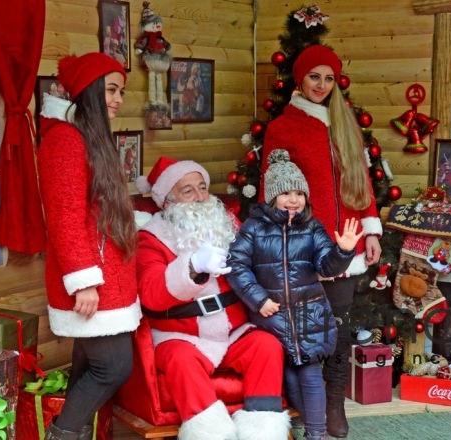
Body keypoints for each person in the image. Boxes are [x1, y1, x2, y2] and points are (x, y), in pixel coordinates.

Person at [261, 44, 383, 439]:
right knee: (306, 329)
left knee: (339, 327)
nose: (322, 85)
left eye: (329, 78)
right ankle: (305, 403)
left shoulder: (343, 122)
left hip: (347, 240)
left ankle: (334, 402)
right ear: (300, 78)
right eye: (315, 76)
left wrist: (372, 228)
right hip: (305, 244)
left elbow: (361, 181)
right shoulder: (285, 126)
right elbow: (274, 187)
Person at [134, 156, 291, 440]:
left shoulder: (226, 223)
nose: (200, 197)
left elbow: (258, 259)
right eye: (188, 191)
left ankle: (263, 432)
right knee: (181, 361)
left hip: (232, 330)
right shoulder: (151, 238)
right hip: (181, 335)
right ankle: (211, 433)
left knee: (266, 346)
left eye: (203, 188)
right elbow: (150, 293)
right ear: (167, 201)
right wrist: (192, 265)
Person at [37, 52, 141, 440]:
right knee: (112, 368)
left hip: (108, 276)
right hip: (93, 280)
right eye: (110, 90)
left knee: (87, 369)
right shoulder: (65, 139)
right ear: (90, 92)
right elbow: (63, 218)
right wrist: (83, 280)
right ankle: (60, 435)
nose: (117, 99)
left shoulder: (86, 136)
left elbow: (96, 211)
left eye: (121, 91)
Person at [226, 150, 363, 440]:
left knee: (310, 372)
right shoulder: (254, 228)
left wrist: (344, 251)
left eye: (299, 193)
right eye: (286, 192)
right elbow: (236, 265)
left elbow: (327, 265)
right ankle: (303, 425)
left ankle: (317, 434)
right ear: (271, 196)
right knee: (287, 372)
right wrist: (258, 299)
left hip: (308, 314)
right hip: (272, 315)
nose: (294, 199)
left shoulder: (312, 228)